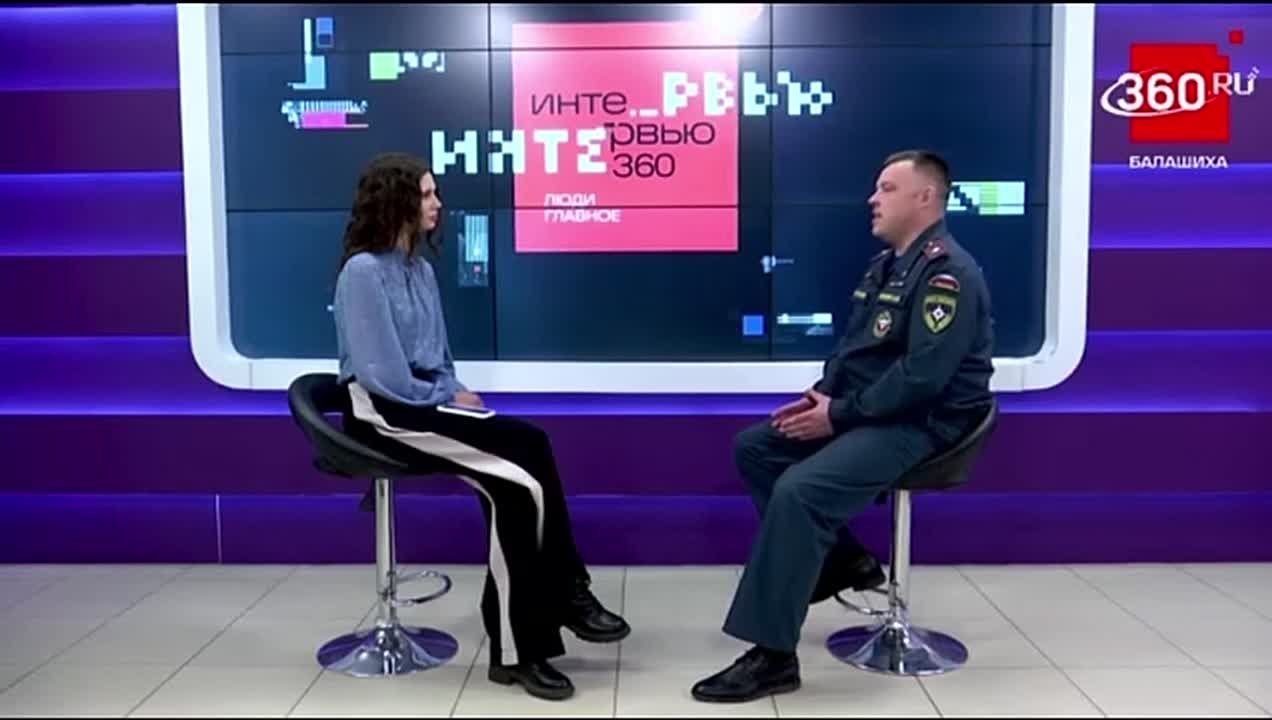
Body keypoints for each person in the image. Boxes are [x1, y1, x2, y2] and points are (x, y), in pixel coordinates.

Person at [691, 149, 995, 703]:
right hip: (875, 409)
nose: (872, 200)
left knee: (800, 492)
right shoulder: (885, 267)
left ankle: (773, 656)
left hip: (925, 423)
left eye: (887, 189)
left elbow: (922, 378)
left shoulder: (948, 274)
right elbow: (855, 350)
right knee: (757, 448)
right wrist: (823, 397)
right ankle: (843, 561)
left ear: (925, 197)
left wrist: (838, 415)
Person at [332, 152, 630, 701]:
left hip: (425, 401)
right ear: (396, 201)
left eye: (434, 193)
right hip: (385, 413)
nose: (437, 204)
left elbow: (438, 358)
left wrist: (453, 390)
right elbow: (382, 375)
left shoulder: (420, 270)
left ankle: (533, 631)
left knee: (526, 455)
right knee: (517, 477)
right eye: (426, 194)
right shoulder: (363, 272)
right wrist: (445, 396)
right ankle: (551, 612)